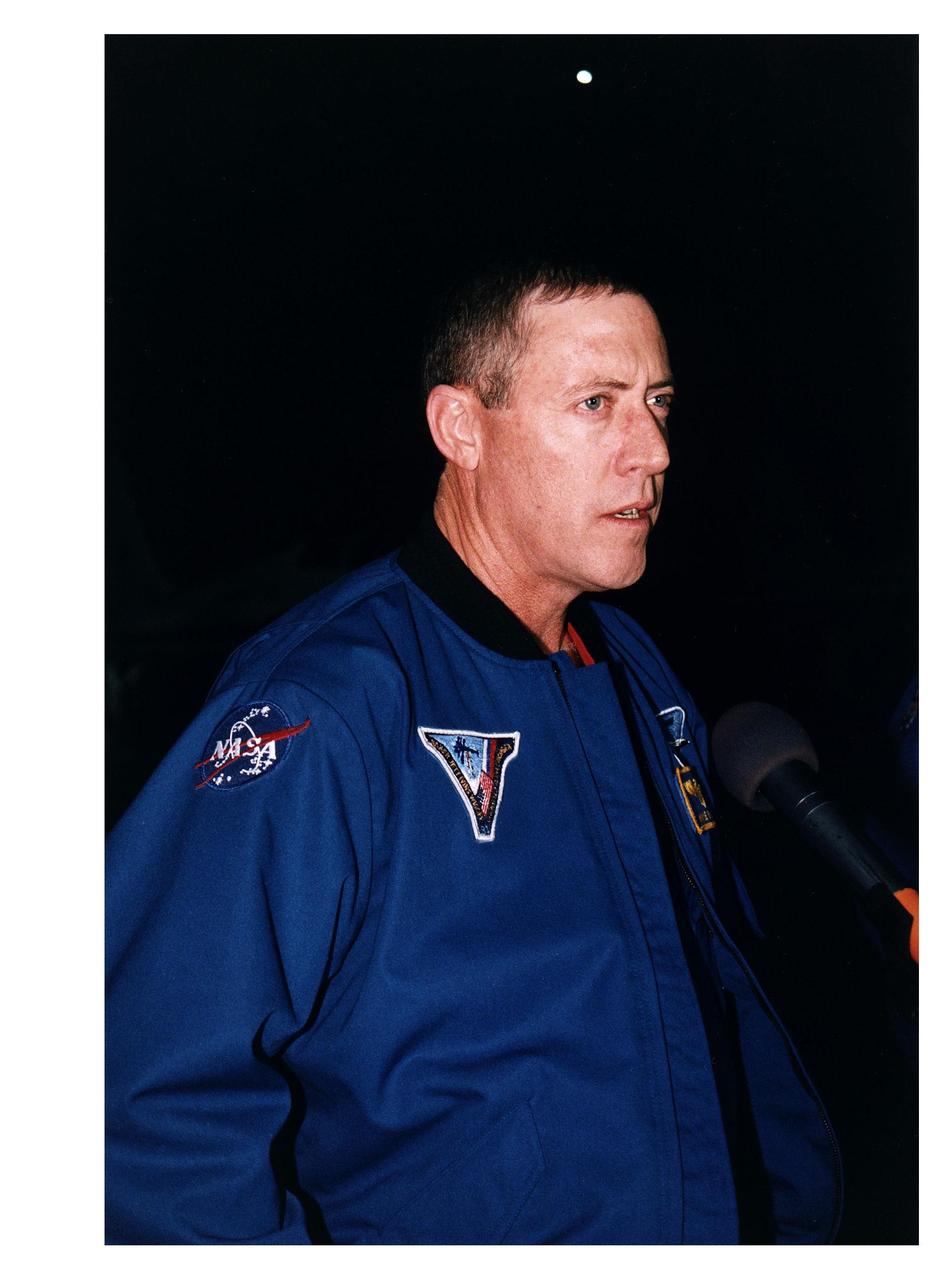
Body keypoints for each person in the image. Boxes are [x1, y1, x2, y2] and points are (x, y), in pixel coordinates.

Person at [106, 261, 842, 1244]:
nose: (654, 450)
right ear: (461, 428)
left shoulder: (633, 668)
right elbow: (140, 1110)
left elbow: (713, 999)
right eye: (596, 403)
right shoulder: (325, 703)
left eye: (658, 402)